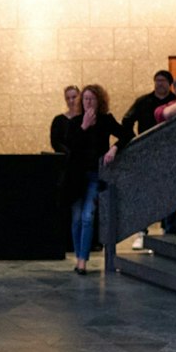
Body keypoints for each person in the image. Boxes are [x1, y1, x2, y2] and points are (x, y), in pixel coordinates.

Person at [52, 84, 123, 274]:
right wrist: (83, 127)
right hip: (76, 177)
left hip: (94, 175)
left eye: (92, 99)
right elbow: (69, 146)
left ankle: (83, 260)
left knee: (87, 217)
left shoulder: (106, 120)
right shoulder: (75, 122)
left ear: (99, 101)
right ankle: (79, 257)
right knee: (75, 219)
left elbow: (126, 134)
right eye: (85, 99)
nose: (88, 102)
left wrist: (114, 148)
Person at [123, 70, 176, 138]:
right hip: (147, 141)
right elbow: (127, 120)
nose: (160, 84)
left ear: (170, 83)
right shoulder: (142, 101)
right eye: (157, 81)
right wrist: (133, 138)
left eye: (163, 80)